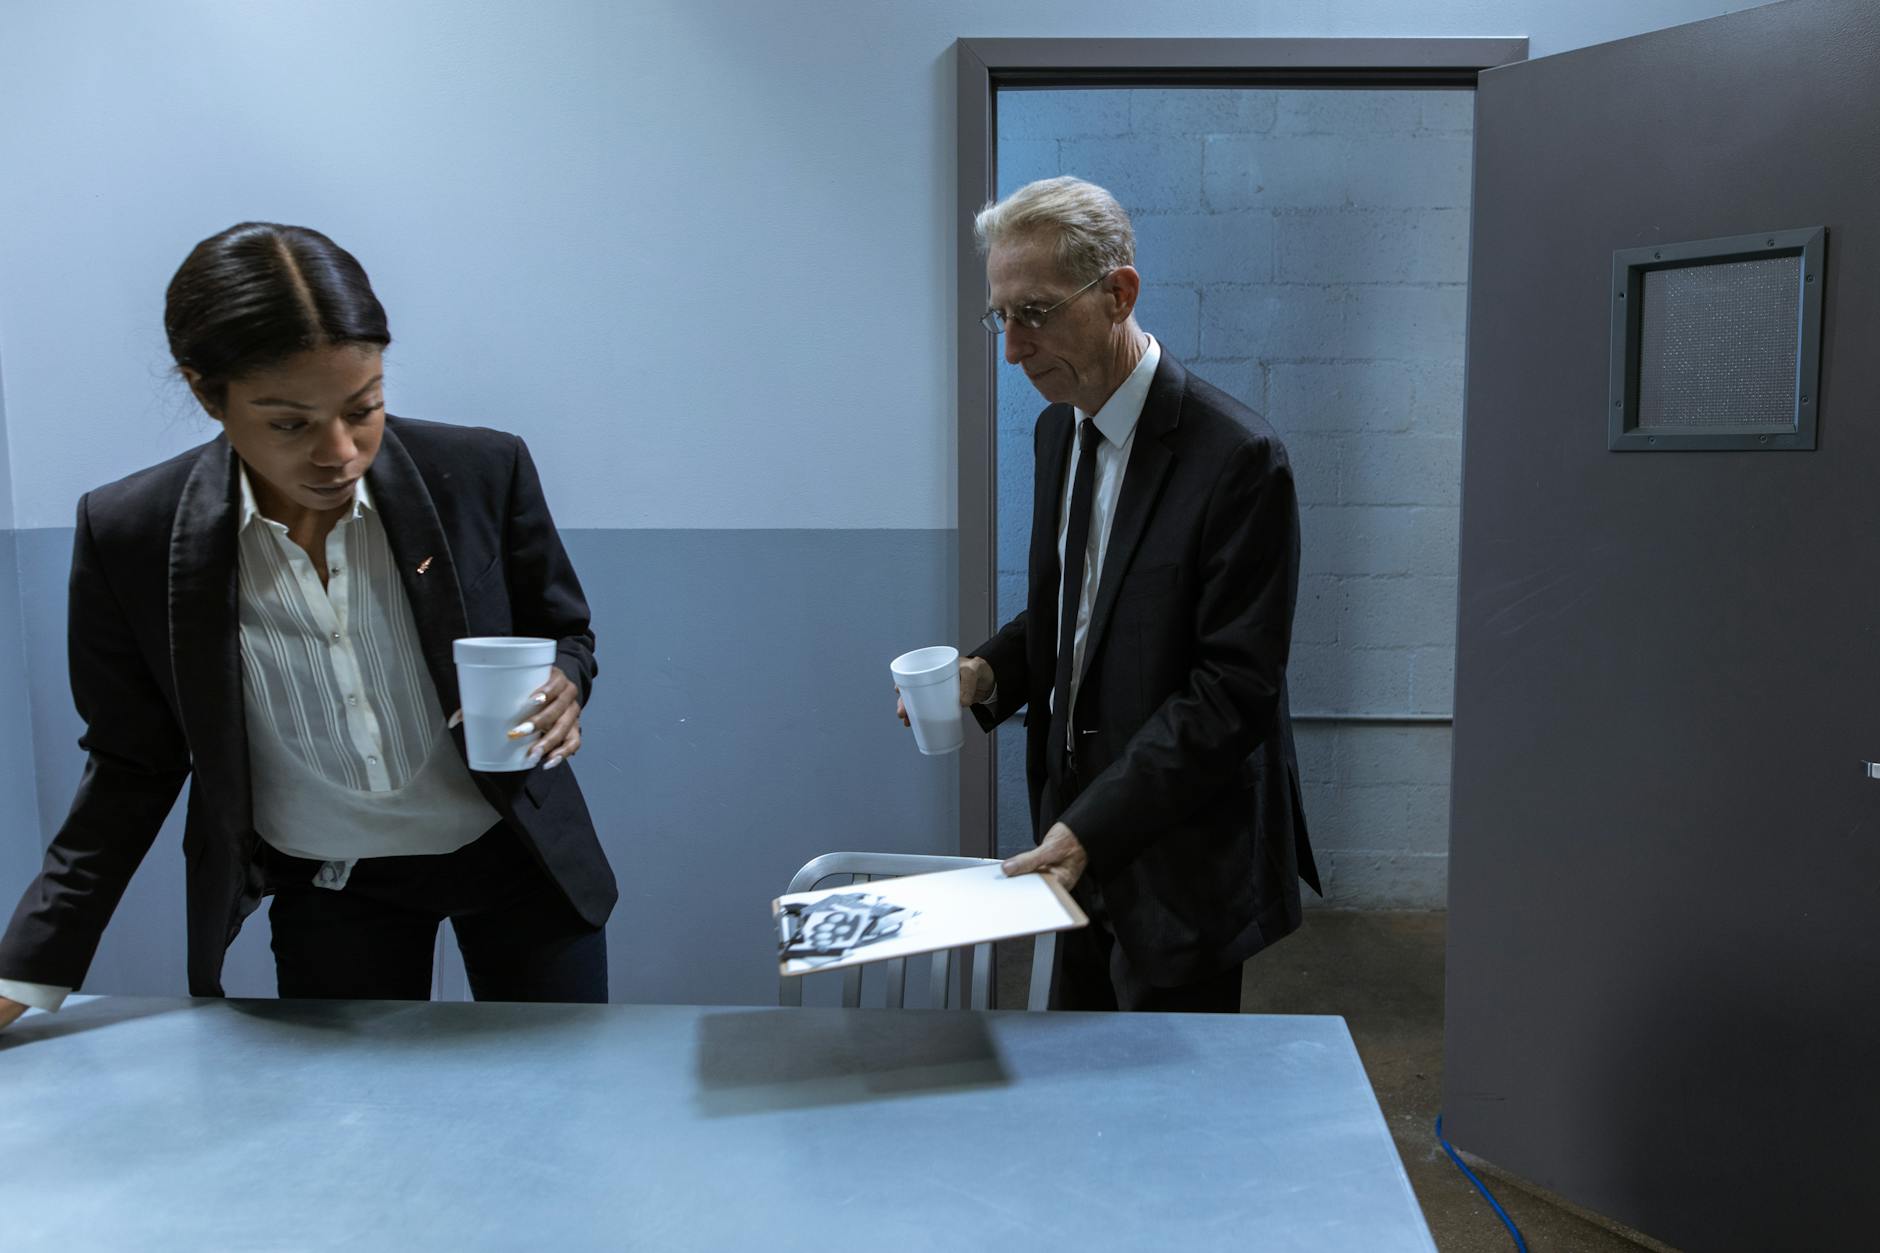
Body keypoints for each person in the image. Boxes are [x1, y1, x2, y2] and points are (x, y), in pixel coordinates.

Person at [0, 223, 615, 1031]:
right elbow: (131, 763)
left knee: (561, 1107)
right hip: (333, 888)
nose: (340, 452)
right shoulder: (133, 533)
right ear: (204, 392)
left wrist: (566, 683)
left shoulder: (479, 472)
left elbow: (564, 632)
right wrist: (29, 971)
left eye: (365, 408)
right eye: (289, 422)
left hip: (520, 862)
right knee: (350, 1140)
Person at [902, 176, 1320, 1012]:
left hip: (1179, 861)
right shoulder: (1059, 430)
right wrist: (986, 675)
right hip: (1074, 844)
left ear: (1119, 293)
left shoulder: (1237, 458)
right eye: (1002, 318)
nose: (1014, 350)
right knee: (1076, 1098)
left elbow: (1229, 691)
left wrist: (1092, 827)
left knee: (1166, 1120)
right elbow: (1079, 611)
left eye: (1036, 312)